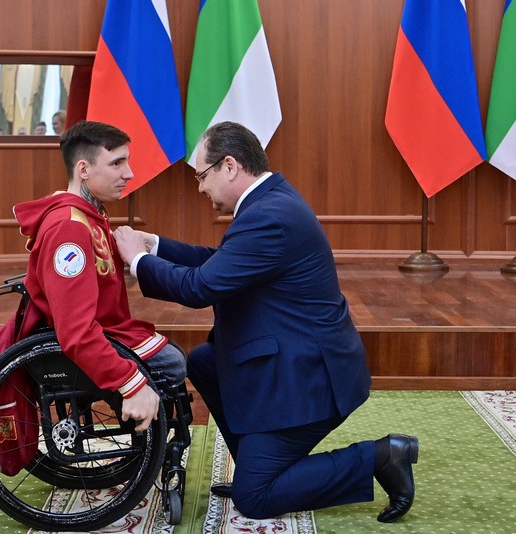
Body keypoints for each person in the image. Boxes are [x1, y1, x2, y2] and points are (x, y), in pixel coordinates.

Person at [113, 121, 418, 522]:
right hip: (293, 357)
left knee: (254, 499)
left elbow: (201, 287)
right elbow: (219, 264)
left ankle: (381, 456)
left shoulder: (269, 216)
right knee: (205, 360)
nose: (200, 188)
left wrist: (138, 260)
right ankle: (261, 469)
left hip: (311, 377)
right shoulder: (267, 202)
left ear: (230, 166)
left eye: (202, 176)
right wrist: (154, 246)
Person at [13, 120, 186, 431]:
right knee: (173, 363)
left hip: (108, 329)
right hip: (87, 338)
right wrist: (129, 381)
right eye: (117, 163)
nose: (129, 174)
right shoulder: (70, 228)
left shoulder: (90, 215)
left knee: (174, 356)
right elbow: (75, 330)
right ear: (84, 169)